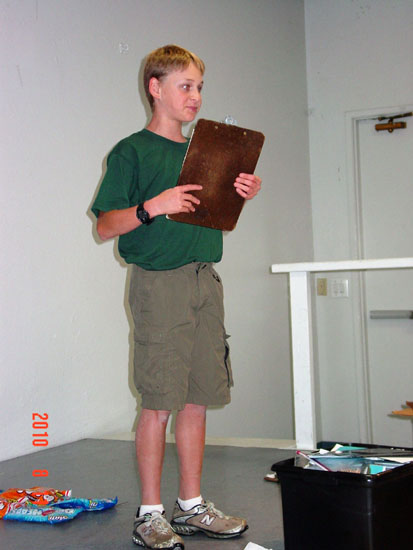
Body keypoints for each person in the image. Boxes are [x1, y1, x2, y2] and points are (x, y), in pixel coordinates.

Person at [91, 44, 262, 550]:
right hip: (159, 284)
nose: (195, 96)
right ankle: (150, 514)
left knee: (195, 398)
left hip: (205, 280)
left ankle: (191, 506)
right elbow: (105, 226)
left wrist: (240, 194)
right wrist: (155, 205)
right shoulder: (132, 151)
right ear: (155, 87)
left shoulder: (204, 152)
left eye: (200, 87)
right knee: (158, 402)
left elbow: (212, 220)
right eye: (185, 86)